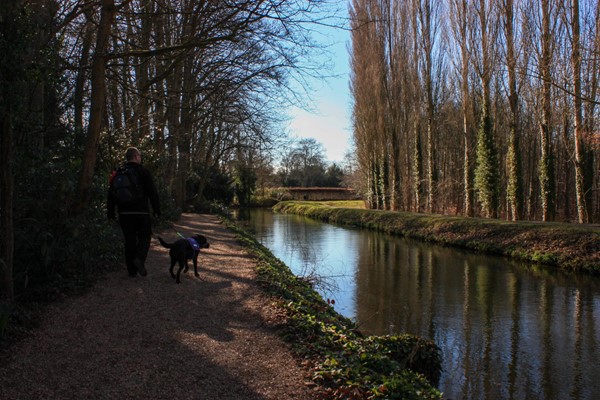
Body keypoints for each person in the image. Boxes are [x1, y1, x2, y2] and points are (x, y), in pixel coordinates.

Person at [107, 147, 161, 277]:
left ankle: (131, 270)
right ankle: (139, 259)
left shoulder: (118, 173)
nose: (140, 158)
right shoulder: (143, 172)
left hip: (124, 214)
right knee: (144, 237)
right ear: (136, 157)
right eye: (140, 156)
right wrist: (157, 210)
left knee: (129, 240)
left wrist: (111, 213)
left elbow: (111, 194)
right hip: (141, 212)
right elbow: (152, 192)